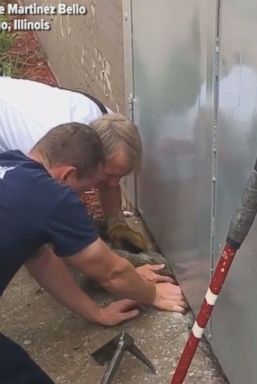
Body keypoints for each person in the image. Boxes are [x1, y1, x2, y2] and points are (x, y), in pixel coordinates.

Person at [0, 122, 187, 384]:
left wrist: (95, 312)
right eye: (85, 188)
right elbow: (110, 272)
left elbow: (41, 258)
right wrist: (153, 293)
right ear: (67, 175)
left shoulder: (10, 164)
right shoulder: (51, 196)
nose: (82, 197)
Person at [0, 76, 146, 252]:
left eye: (120, 176)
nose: (115, 183)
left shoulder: (108, 125)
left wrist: (117, 223)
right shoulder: (52, 149)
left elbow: (107, 181)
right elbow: (48, 212)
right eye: (110, 175)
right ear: (94, 157)